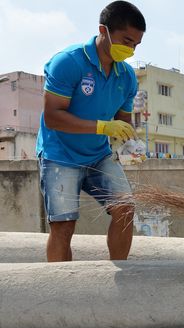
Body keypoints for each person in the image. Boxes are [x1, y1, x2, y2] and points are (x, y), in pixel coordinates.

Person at [36, 1, 145, 262]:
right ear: (103, 30)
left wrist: (128, 143)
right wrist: (103, 126)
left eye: (136, 45)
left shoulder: (127, 76)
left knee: (126, 208)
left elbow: (123, 121)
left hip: (98, 156)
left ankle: (120, 280)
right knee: (63, 225)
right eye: (126, 41)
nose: (129, 50)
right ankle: (62, 289)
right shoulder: (68, 62)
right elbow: (53, 117)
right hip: (59, 155)